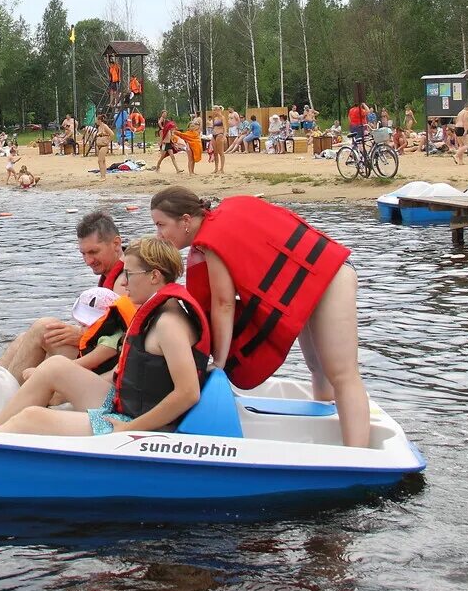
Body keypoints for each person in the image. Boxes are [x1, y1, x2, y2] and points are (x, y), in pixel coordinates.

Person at [149, 186, 371, 448]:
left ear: (185, 221)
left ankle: (360, 454)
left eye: (161, 224)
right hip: (309, 280)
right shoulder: (227, 209)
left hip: (331, 275)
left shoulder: (211, 242)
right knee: (317, 367)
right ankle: (326, 423)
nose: (159, 234)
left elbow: (224, 304)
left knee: (342, 373)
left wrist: (219, 361)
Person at [0, 237, 206, 437]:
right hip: (126, 403)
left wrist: (130, 429)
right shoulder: (155, 311)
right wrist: (70, 386)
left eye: (129, 273)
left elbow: (188, 394)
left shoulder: (170, 323)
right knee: (56, 367)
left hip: (140, 424)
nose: (123, 282)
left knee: (33, 418)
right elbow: (125, 372)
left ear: (155, 276)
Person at [0, 210, 127, 381]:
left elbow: (122, 339)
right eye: (83, 253)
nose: (87, 261)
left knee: (43, 328)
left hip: (105, 364)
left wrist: (81, 334)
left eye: (93, 252)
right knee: (25, 338)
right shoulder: (113, 271)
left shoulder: (125, 280)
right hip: (95, 350)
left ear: (116, 244)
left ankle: (6, 396)